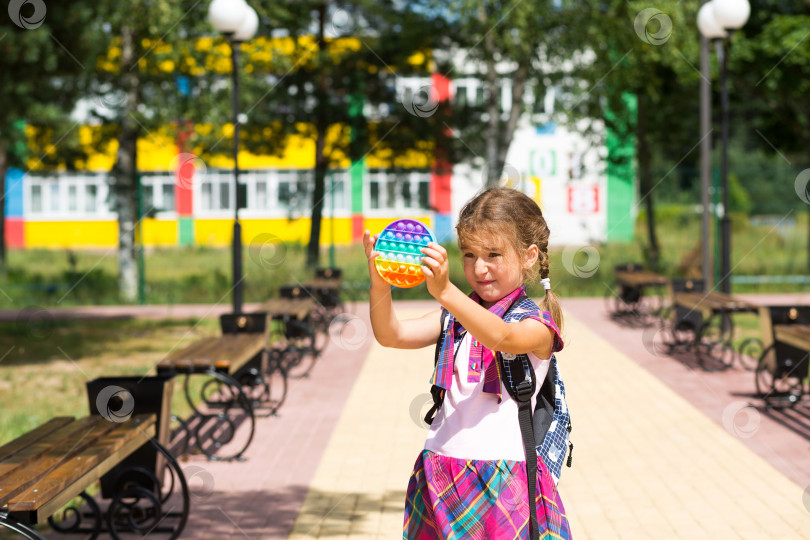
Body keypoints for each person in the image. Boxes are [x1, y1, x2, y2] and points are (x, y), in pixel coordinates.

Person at [363, 187, 572, 539]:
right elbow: (392, 334)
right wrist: (380, 285)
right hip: (438, 469)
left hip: (504, 478)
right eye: (469, 254)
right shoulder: (454, 319)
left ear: (529, 256)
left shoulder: (537, 326)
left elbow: (502, 337)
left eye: (493, 254)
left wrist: (446, 292)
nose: (479, 267)